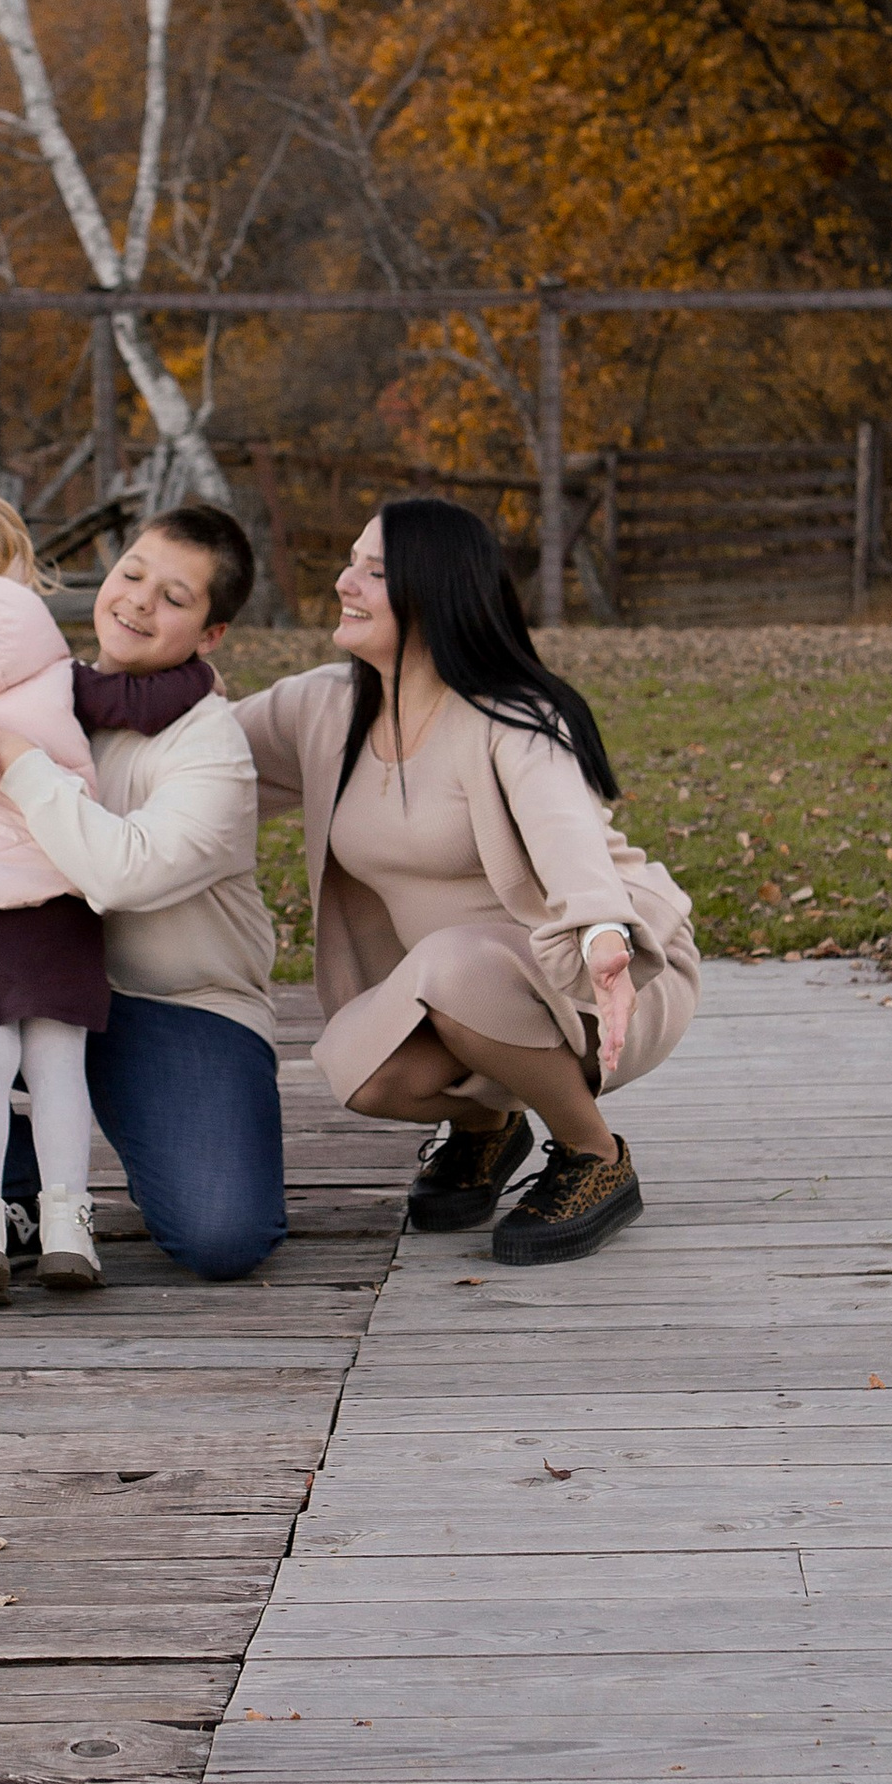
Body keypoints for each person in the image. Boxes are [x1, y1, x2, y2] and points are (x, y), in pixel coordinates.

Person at [231, 495, 697, 1264]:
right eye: (351, 562)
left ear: (435, 591)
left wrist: (603, 933)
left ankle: (595, 1157)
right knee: (362, 1070)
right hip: (456, 991)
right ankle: (489, 1127)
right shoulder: (322, 707)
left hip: (600, 975)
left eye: (374, 571)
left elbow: (566, 834)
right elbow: (198, 754)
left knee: (454, 964)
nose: (346, 582)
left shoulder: (512, 717)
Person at [0, 502, 284, 1285]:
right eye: (132, 574)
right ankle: (6, 1200)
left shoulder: (211, 748)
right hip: (34, 974)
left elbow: (118, 875)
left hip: (179, 1010)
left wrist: (10, 756)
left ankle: (130, 1144)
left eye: (174, 598)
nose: (140, 601)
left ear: (211, 634)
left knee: (223, 1236)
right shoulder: (39, 683)